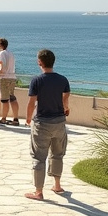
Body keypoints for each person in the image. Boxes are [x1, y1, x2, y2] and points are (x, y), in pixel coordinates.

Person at [24, 48, 71, 201]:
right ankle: (57, 185)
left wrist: (28, 118)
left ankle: (38, 192)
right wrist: (65, 108)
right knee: (58, 154)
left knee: (39, 157)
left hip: (42, 122)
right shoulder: (63, 79)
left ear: (40, 62)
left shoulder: (36, 80)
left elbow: (31, 103)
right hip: (59, 122)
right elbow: (65, 98)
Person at [0, 38, 20, 126]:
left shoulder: (1, 54)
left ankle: (4, 118)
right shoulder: (11, 54)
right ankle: (15, 118)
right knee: (12, 97)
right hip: (12, 77)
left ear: (0, 44)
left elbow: (2, 65)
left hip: (4, 77)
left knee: (4, 99)